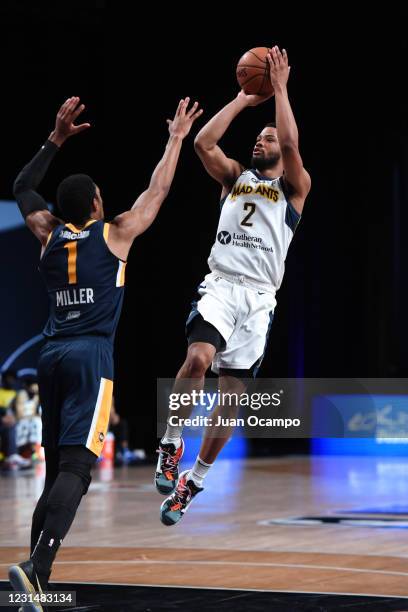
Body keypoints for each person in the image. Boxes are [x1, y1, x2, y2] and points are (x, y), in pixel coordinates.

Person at [9, 95, 202, 604]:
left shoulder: (47, 234)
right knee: (77, 470)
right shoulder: (115, 233)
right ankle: (36, 565)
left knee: (57, 470)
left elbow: (23, 187)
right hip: (90, 357)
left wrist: (54, 139)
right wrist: (176, 139)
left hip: (49, 356)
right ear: (95, 204)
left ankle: (37, 582)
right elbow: (157, 191)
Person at [156, 46, 311, 525]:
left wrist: (280, 90)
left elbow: (290, 144)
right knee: (198, 358)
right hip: (222, 284)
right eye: (258, 138)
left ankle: (194, 481)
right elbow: (203, 143)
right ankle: (171, 441)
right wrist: (245, 99)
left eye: (267, 139)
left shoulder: (294, 189)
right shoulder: (233, 178)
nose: (260, 143)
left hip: (260, 300)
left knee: (231, 400)